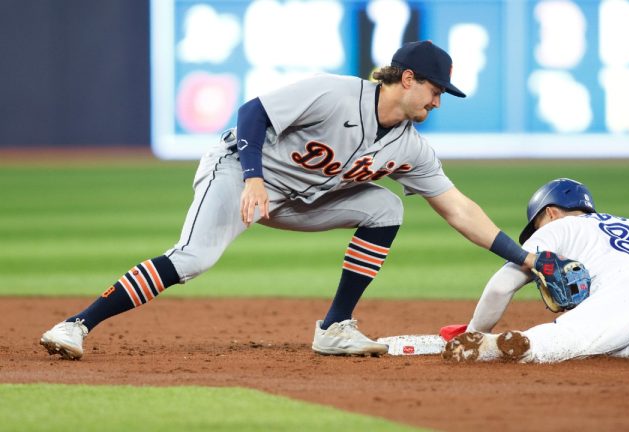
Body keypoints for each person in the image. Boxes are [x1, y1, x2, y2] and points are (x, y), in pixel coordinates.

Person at [40, 41, 545, 360]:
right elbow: (251, 113)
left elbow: (459, 208)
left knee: (386, 207)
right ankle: (76, 324)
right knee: (195, 257)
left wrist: (525, 258)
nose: (438, 102)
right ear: (407, 78)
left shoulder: (411, 145)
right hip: (240, 170)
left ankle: (334, 328)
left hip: (301, 198)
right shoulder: (335, 94)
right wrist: (254, 178)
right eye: (436, 90)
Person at [442, 178, 629, 366]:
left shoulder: (557, 228)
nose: (537, 231)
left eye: (536, 224)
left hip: (617, 298)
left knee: (571, 337)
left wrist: (475, 331)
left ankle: (502, 345)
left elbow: (502, 285)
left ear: (550, 213)